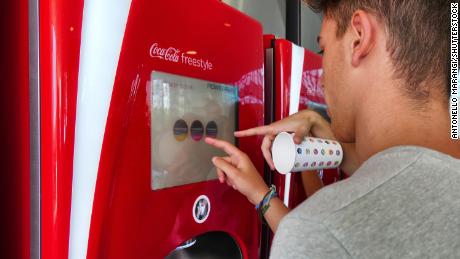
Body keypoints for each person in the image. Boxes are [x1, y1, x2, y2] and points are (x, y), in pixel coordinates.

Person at [205, 0, 460, 258]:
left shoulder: (320, 230)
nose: (322, 77)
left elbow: (328, 237)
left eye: (323, 49)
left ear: (359, 38)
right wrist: (320, 128)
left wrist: (269, 202)